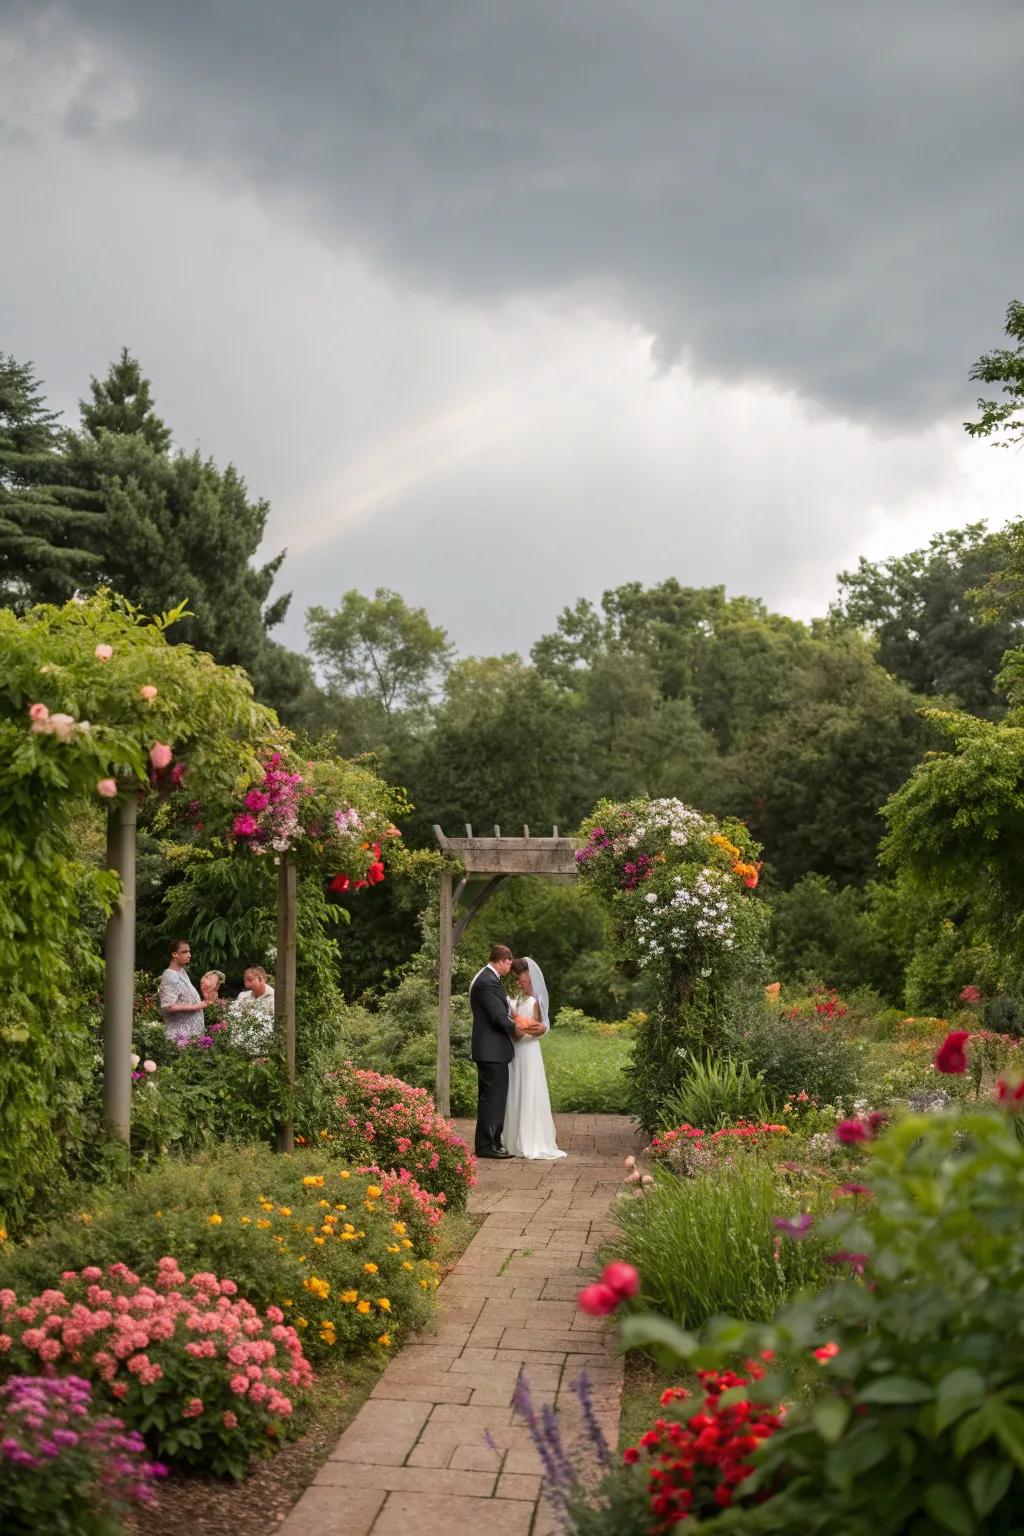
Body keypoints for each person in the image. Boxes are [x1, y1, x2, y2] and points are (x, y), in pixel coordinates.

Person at [469, 943, 544, 1158]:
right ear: (501, 961)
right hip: (491, 1050)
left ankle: (491, 1142)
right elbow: (499, 1017)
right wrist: (519, 1029)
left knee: (491, 1097)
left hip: (489, 1049)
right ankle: (487, 1146)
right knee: (493, 1098)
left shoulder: (487, 978)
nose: (509, 969)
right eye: (508, 964)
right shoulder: (488, 982)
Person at [505, 958, 566, 1160]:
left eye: (520, 978)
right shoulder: (513, 998)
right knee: (515, 1091)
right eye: (516, 979)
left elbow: (540, 1027)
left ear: (528, 975)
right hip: (515, 1051)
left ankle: (532, 1139)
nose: (518, 982)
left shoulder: (536, 1000)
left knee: (530, 1091)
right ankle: (512, 1139)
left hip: (529, 1052)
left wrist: (530, 1028)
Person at [158, 939, 212, 1041]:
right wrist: (197, 1006)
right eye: (184, 952)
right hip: (179, 1039)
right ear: (174, 954)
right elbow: (167, 1006)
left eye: (189, 951)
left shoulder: (181, 971)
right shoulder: (170, 976)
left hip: (191, 1038)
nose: (189, 955)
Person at [229, 965, 276, 1052]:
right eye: (245, 980)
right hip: (241, 1044)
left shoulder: (274, 997)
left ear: (260, 979)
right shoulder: (243, 996)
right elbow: (233, 1016)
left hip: (265, 1045)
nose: (246, 984)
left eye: (250, 980)